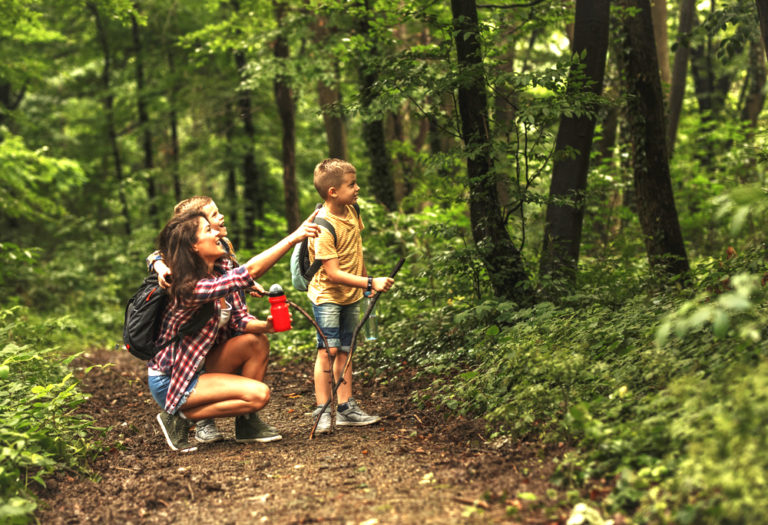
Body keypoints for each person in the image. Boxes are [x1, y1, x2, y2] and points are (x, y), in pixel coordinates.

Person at [149, 208, 320, 452]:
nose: (216, 232)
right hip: (174, 378)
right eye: (208, 230)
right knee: (259, 396)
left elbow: (239, 320)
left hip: (199, 365)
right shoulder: (189, 286)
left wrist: (267, 326)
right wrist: (294, 237)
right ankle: (179, 417)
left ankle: (247, 424)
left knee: (255, 341)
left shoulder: (219, 270)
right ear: (194, 246)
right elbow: (250, 271)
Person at [146, 196, 266, 444]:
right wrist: (158, 266)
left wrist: (248, 285)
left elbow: (238, 305)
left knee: (256, 341)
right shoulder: (184, 272)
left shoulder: (222, 251)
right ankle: (193, 418)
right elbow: (156, 254)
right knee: (252, 390)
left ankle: (247, 421)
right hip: (182, 364)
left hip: (210, 350)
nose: (220, 218)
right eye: (212, 218)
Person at [306, 158, 395, 434]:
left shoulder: (353, 211)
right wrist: (370, 281)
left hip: (351, 294)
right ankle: (322, 411)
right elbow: (332, 273)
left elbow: (356, 250)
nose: (357, 188)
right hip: (327, 295)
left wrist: (365, 283)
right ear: (332, 191)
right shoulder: (322, 226)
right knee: (328, 350)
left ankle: (345, 407)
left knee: (346, 348)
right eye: (351, 184)